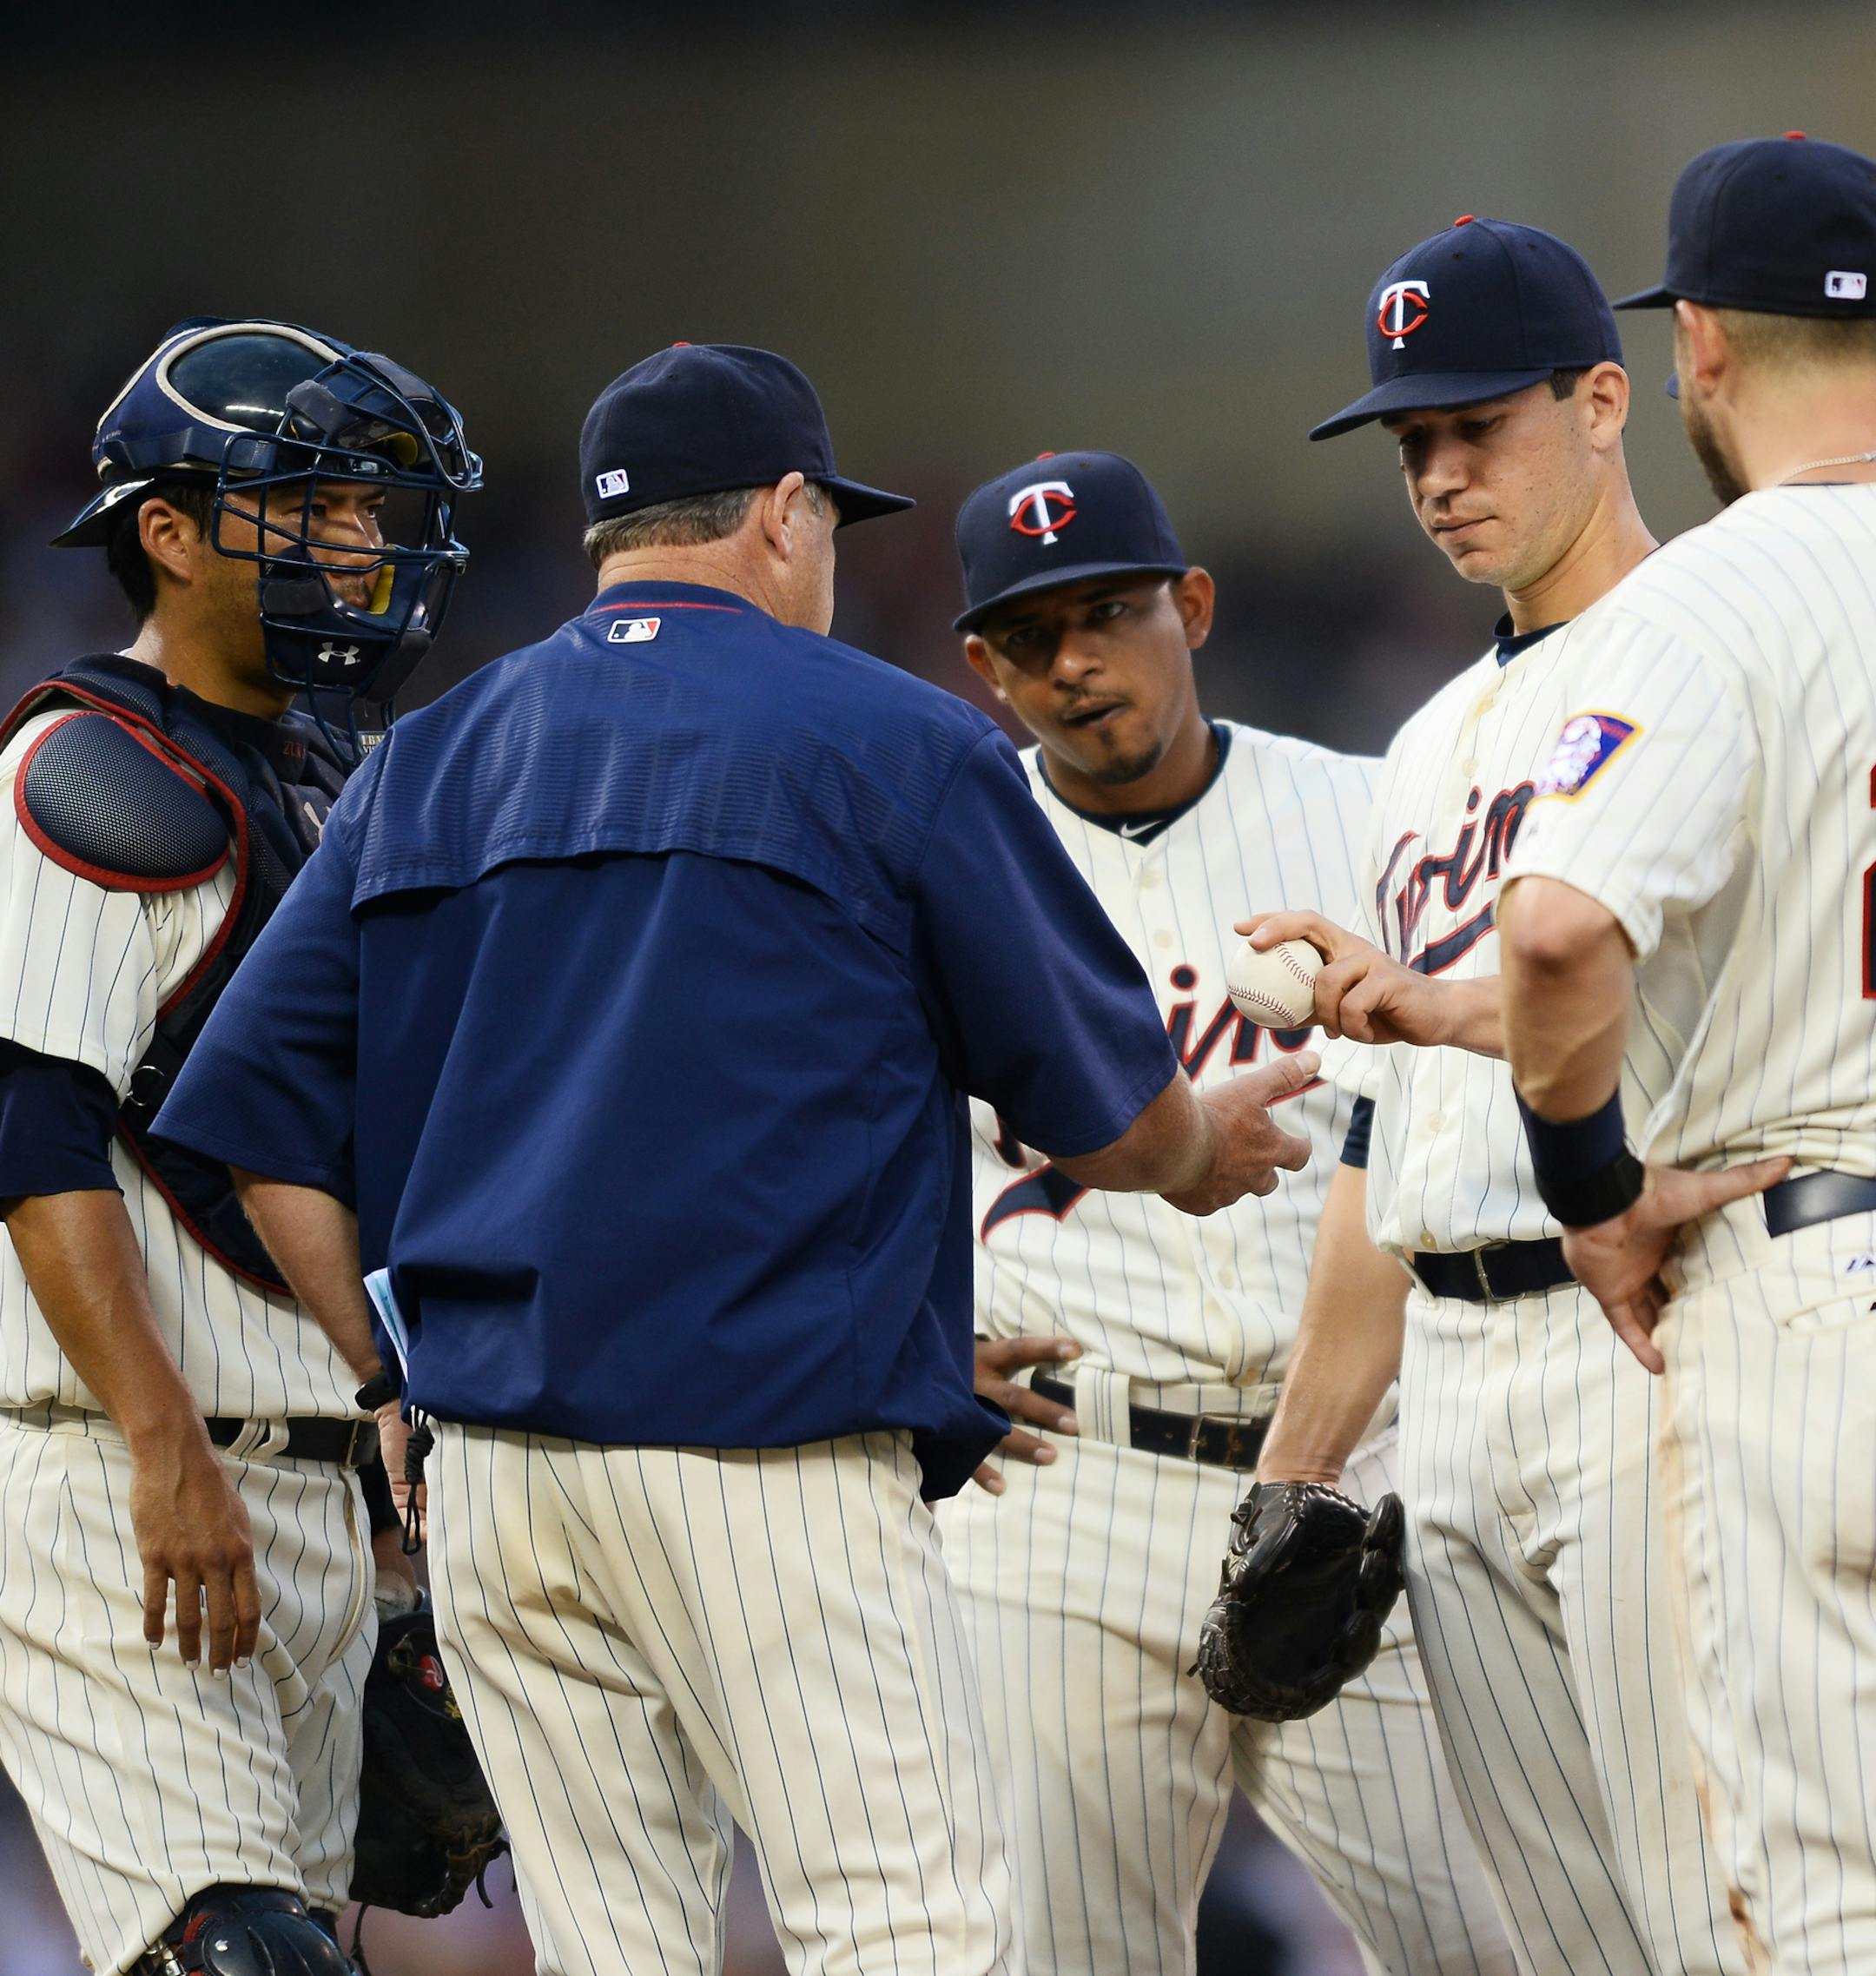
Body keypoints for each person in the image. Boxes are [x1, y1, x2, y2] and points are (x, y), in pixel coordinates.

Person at [150, 342, 1322, 1976]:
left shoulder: (433, 755)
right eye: (826, 521)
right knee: (903, 1929)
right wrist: (1202, 1158)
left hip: (500, 1479)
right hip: (766, 1464)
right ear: (784, 511)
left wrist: (382, 1380)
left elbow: (257, 1128)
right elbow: (1113, 1118)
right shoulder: (894, 739)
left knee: (617, 1952)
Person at [1244, 221, 1750, 1976]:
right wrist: (1298, 1469)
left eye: (1478, 427)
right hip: (1452, 1378)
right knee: (1556, 1941)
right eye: (1413, 445)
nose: (1442, 477)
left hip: (1652, 1333)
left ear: (1606, 400)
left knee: (1721, 1896)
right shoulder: (1429, 739)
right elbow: (1376, 1149)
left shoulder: (1725, 642)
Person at [932, 447, 1511, 1975]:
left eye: (1111, 612)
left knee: (1491, 1937)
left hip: (1349, 1474)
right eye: (1034, 635)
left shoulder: (1371, 813)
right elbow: (822, 1138)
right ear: (983, 665)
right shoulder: (942, 853)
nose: (1078, 663)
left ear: (1192, 604)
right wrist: (897, 1345)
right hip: (1067, 1482)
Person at [0, 316, 478, 1976]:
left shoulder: (335, 775)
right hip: (118, 1468)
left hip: (317, 1482)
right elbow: (30, 1128)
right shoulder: (89, 768)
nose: (360, 546)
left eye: (371, 511)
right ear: (173, 528)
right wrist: (157, 1442)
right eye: (316, 505)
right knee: (244, 1959)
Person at [1497, 132, 1876, 1976]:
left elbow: (1558, 929)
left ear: (1697, 348)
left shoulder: (1703, 600)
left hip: (1814, 1289)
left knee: (1823, 1903)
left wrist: (1591, 1188)